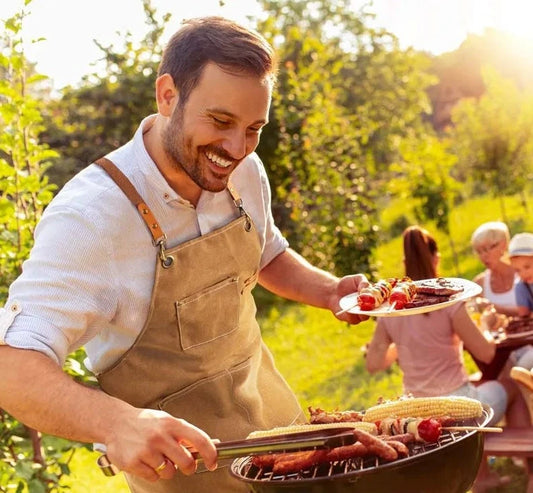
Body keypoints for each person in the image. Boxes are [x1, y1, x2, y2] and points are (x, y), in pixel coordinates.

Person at [0, 17, 368, 493]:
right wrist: (115, 423)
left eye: (253, 127)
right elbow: (13, 362)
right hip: (189, 474)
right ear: (168, 95)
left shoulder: (245, 170)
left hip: (283, 439)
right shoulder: (90, 218)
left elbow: (266, 251)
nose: (236, 148)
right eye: (220, 121)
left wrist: (329, 290)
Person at [365, 225, 530, 492]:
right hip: (456, 407)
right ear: (436, 258)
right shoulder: (448, 303)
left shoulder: (390, 311)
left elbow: (374, 364)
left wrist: (403, 345)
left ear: (405, 262)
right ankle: (527, 466)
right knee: (510, 386)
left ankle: (484, 476)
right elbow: (487, 353)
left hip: (415, 413)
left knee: (478, 385)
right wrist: (486, 323)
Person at [471, 221, 520, 318]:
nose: (483, 256)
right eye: (479, 252)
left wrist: (495, 308)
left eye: (487, 249)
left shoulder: (525, 273)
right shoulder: (478, 285)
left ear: (504, 244)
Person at [509, 232, 533, 318]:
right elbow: (524, 315)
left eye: (527, 267)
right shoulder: (521, 287)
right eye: (517, 270)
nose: (523, 274)